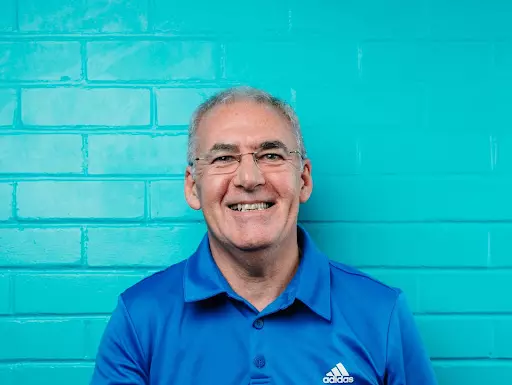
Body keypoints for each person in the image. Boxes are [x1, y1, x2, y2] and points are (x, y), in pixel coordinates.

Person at [90, 86, 438, 384]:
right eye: (224, 158)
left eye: (271, 155)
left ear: (303, 179)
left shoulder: (381, 312)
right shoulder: (140, 318)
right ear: (193, 187)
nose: (249, 178)